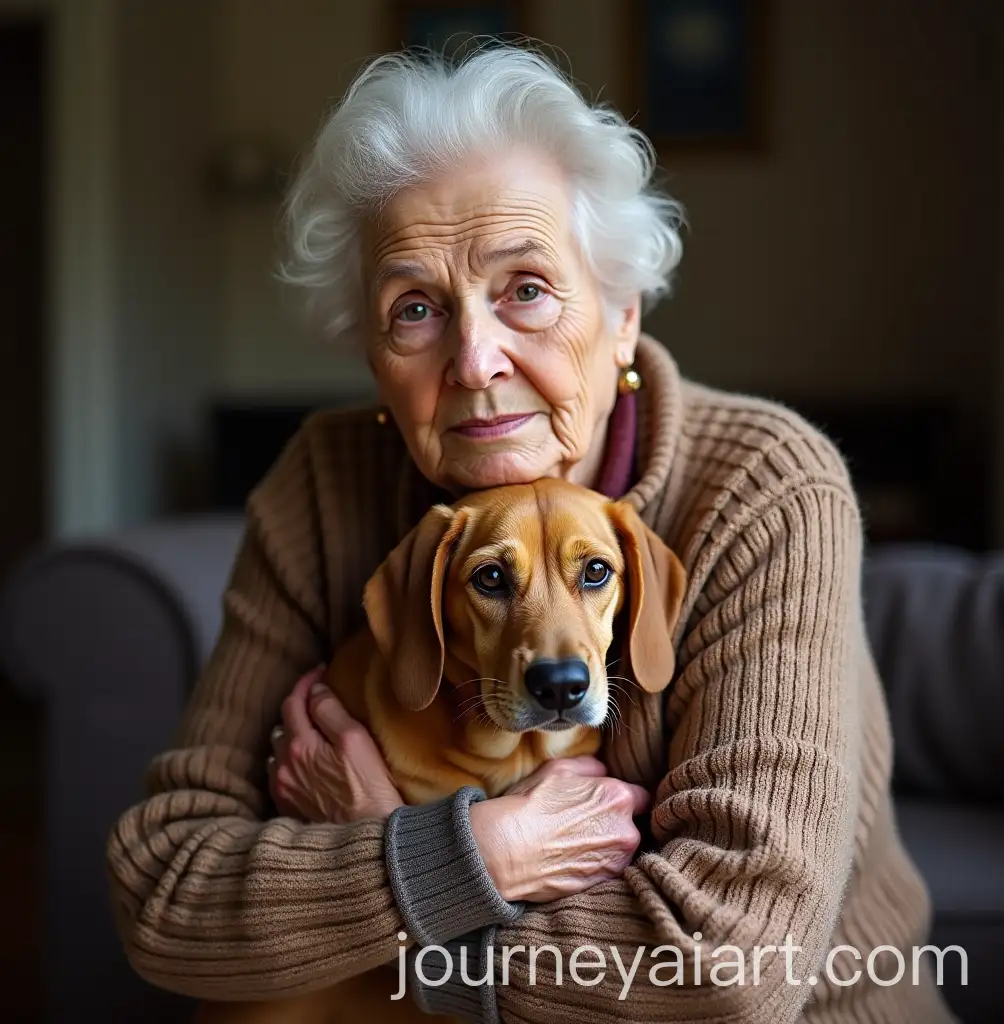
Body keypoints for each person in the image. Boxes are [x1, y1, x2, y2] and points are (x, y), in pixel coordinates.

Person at [107, 44, 957, 1024]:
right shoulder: (325, 477)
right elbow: (167, 890)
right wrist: (486, 854)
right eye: (414, 308)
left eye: (526, 289)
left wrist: (404, 855)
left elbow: (726, 966)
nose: (475, 360)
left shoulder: (765, 487)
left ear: (622, 314)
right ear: (371, 356)